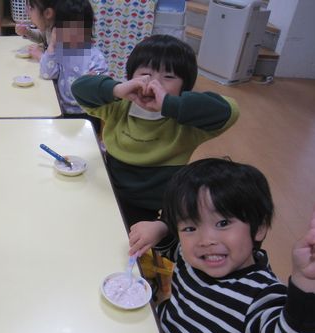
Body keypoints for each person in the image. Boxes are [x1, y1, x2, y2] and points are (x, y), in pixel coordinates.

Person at [128, 158, 315, 333]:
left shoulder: (259, 296)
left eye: (223, 223)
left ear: (259, 227)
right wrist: (159, 228)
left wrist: (308, 279)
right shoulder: (193, 259)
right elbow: (172, 246)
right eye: (190, 227)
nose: (206, 240)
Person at [71, 34, 239, 229]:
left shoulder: (186, 123)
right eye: (145, 74)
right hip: (107, 191)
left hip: (152, 210)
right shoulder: (119, 107)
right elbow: (79, 88)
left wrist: (171, 104)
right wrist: (116, 89)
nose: (153, 84)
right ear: (131, 77)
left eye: (168, 77)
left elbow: (230, 111)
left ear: (184, 87)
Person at [39, 0, 107, 117]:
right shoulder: (59, 51)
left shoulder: (95, 56)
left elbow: (103, 84)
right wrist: (52, 45)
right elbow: (47, 74)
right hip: (61, 110)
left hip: (87, 112)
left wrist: (95, 79)